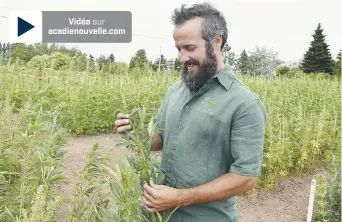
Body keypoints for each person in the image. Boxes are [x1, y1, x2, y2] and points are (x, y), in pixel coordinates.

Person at [114, 2, 268, 221]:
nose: (182, 58)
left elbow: (246, 177)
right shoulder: (176, 91)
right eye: (178, 49)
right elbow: (159, 139)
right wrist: (135, 131)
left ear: (217, 41)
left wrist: (180, 197)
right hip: (162, 215)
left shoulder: (244, 103)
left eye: (190, 48)